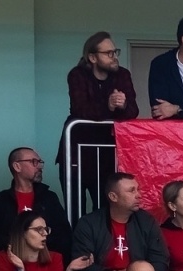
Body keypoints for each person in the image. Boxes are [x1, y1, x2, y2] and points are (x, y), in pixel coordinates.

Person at [70, 173, 172, 271]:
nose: (138, 195)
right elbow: (81, 264)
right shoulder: (89, 223)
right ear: (113, 197)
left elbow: (161, 259)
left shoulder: (147, 221)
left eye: (138, 190)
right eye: (131, 191)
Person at [59, 32, 138, 204]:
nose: (114, 57)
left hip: (108, 155)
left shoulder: (122, 75)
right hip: (77, 153)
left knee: (104, 207)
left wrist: (123, 105)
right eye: (108, 53)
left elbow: (133, 110)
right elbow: (79, 109)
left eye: (115, 52)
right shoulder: (77, 74)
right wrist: (108, 106)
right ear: (92, 57)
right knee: (74, 206)